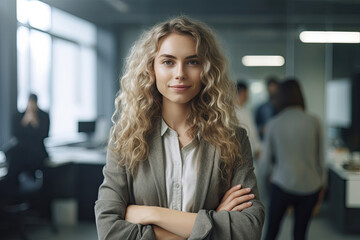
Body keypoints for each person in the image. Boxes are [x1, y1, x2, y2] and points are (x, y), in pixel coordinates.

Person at [95, 16, 265, 240]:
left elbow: (249, 229)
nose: (180, 73)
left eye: (192, 62)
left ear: (207, 70)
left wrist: (151, 214)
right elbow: (109, 231)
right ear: (151, 68)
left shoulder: (233, 138)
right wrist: (214, 221)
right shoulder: (125, 137)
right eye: (168, 61)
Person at [261, 79, 324, 240]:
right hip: (310, 185)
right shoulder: (314, 121)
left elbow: (265, 163)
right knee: (300, 234)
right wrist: (322, 185)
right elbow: (321, 159)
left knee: (271, 232)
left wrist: (266, 179)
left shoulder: (274, 123)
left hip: (281, 183)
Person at [12, 93, 50, 171]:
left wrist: (35, 122)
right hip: (23, 151)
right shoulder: (19, 116)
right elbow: (15, 135)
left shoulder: (44, 116)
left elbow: (45, 135)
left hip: (38, 151)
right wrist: (25, 121)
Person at [235, 81, 262, 159]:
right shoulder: (231, 112)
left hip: (250, 151)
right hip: (239, 151)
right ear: (242, 93)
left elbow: (253, 130)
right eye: (246, 93)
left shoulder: (246, 111)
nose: (247, 96)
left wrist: (258, 147)